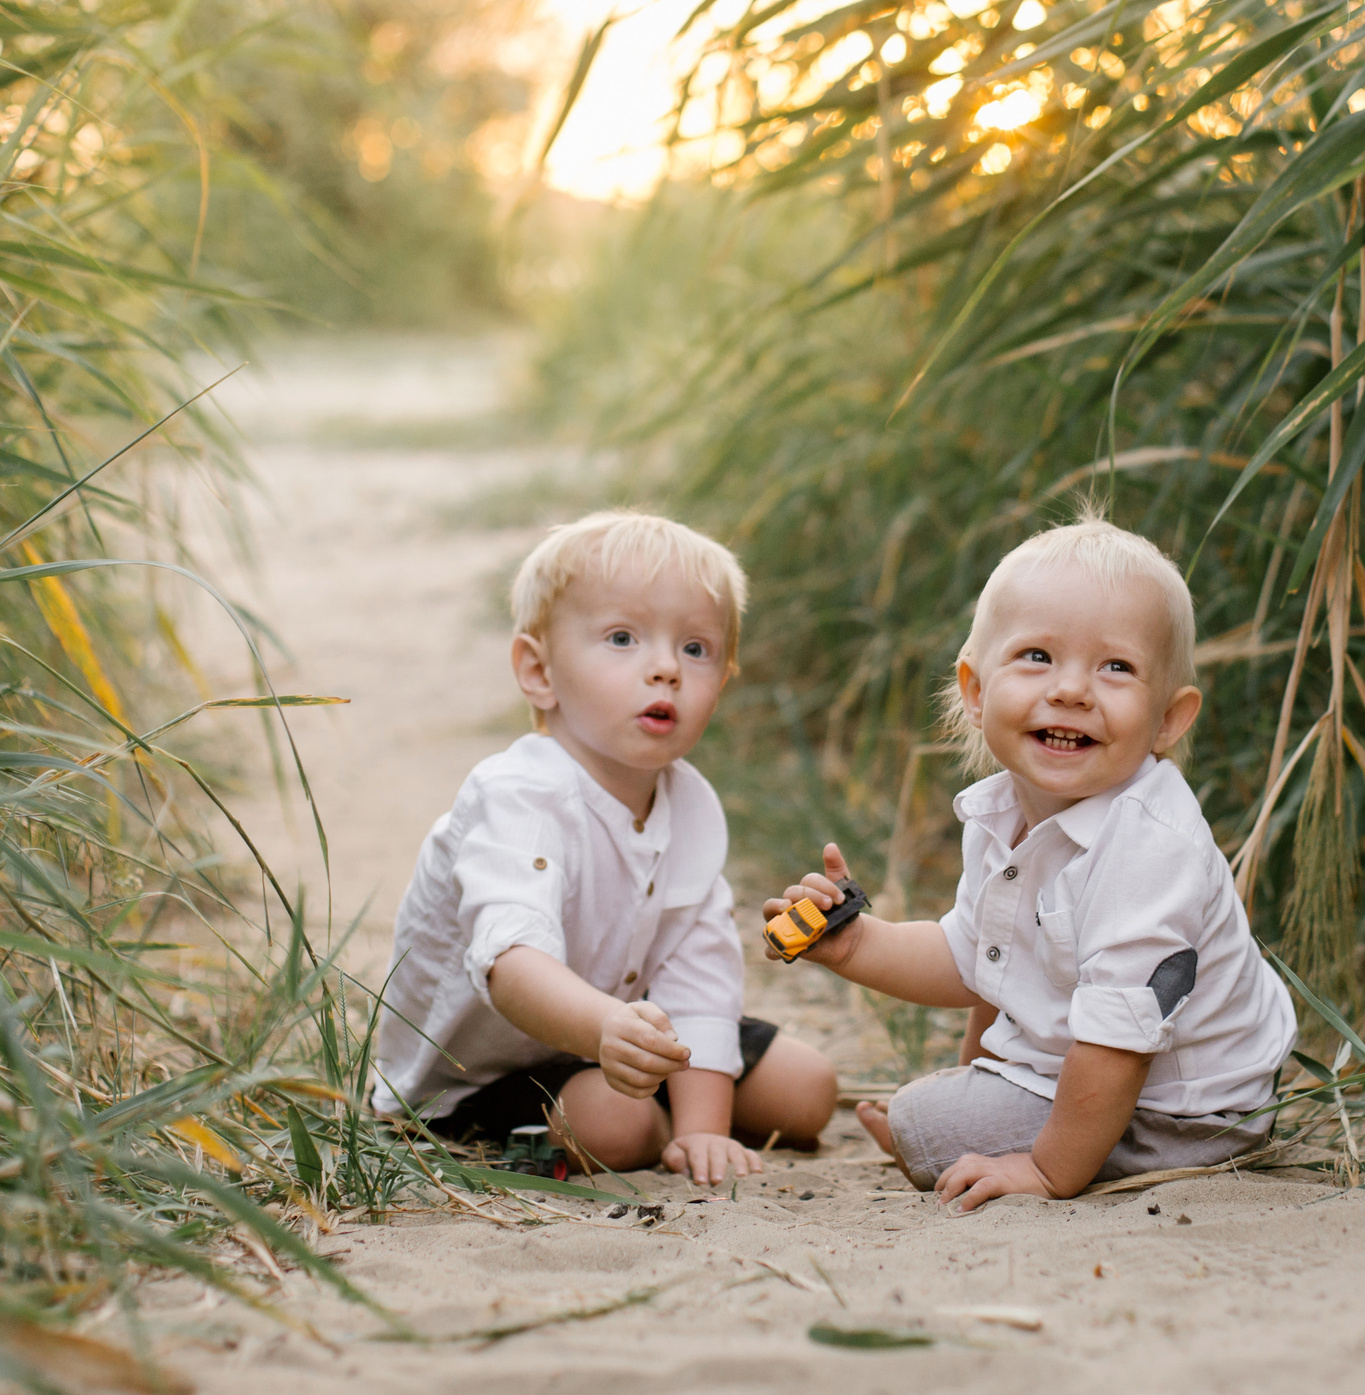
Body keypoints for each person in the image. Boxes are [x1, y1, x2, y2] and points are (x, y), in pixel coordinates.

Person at [767, 516, 1295, 1210]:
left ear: (1168, 719)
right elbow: (974, 959)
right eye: (1038, 656)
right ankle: (969, 1115)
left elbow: (1121, 1038)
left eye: (1116, 667)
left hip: (1185, 1112)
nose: (1072, 690)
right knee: (944, 1103)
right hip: (1104, 1073)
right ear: (975, 691)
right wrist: (856, 944)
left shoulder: (1145, 847)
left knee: (921, 1122)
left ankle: (961, 1133)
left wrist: (1046, 1171)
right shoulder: (1002, 816)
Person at [370, 510, 836, 1185]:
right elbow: (511, 962)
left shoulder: (690, 808)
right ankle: (618, 1127)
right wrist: (605, 1030)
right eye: (622, 638)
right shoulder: (519, 795)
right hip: (477, 1074)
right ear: (539, 671)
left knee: (808, 1090)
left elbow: (700, 980)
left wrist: (703, 1132)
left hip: (614, 1038)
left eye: (696, 649)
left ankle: (666, 1124)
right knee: (617, 1124)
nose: (666, 668)